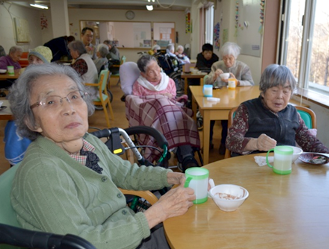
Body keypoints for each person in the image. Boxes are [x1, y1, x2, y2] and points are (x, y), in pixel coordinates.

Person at [9, 63, 196, 249]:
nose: (69, 109)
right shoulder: (42, 172)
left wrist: (171, 176)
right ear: (32, 122)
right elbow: (79, 243)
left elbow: (127, 174)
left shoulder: (88, 142)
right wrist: (158, 213)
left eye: (74, 96)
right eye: (50, 102)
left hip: (128, 232)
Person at [226, 64, 329, 156]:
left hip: (285, 167)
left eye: (285, 91)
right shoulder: (247, 109)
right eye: (274, 90)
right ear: (263, 91)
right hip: (252, 168)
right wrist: (256, 143)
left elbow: (309, 141)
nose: (280, 97)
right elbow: (231, 141)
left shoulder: (293, 113)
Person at [127, 55, 201, 172]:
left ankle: (186, 157)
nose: (156, 73)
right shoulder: (139, 85)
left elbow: (173, 102)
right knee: (163, 116)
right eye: (151, 71)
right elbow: (139, 105)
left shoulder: (169, 82)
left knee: (181, 119)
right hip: (154, 119)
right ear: (143, 74)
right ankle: (165, 156)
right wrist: (159, 98)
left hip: (172, 118)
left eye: (157, 68)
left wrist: (163, 99)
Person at [3, 46, 53, 165]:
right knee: (14, 125)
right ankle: (17, 164)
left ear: (46, 62)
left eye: (38, 60)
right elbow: (15, 95)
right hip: (23, 114)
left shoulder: (50, 78)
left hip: (40, 117)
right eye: (31, 60)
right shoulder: (25, 76)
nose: (33, 63)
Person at [204, 42, 255, 155]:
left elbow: (251, 83)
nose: (227, 62)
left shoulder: (243, 67)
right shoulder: (216, 65)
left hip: (236, 100)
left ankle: (224, 144)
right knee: (209, 118)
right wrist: (214, 77)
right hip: (217, 100)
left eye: (230, 59)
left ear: (235, 57)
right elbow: (206, 82)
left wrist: (237, 82)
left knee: (227, 121)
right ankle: (208, 143)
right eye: (225, 58)